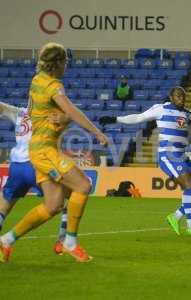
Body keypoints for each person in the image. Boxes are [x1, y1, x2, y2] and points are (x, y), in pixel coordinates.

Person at [0, 42, 108, 263]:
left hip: (36, 151)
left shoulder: (37, 80)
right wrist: (96, 132)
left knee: (53, 205)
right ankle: (69, 242)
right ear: (57, 63)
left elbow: (53, 112)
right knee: (83, 185)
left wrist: (64, 118)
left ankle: (6, 240)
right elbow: (70, 109)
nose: (67, 66)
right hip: (43, 150)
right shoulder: (53, 86)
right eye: (65, 62)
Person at [99, 86, 191, 237]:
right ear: (171, 97)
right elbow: (138, 117)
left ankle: (175, 216)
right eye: (178, 96)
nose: (181, 99)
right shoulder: (160, 109)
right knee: (189, 186)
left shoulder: (188, 114)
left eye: (183, 96)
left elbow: (190, 137)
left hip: (183, 156)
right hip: (168, 155)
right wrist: (115, 119)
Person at [0, 101, 70, 253]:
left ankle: (4, 244)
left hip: (16, 167)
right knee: (68, 195)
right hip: (37, 165)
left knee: (3, 207)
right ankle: (63, 240)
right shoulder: (50, 115)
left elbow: (2, 107)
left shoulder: (20, 112)